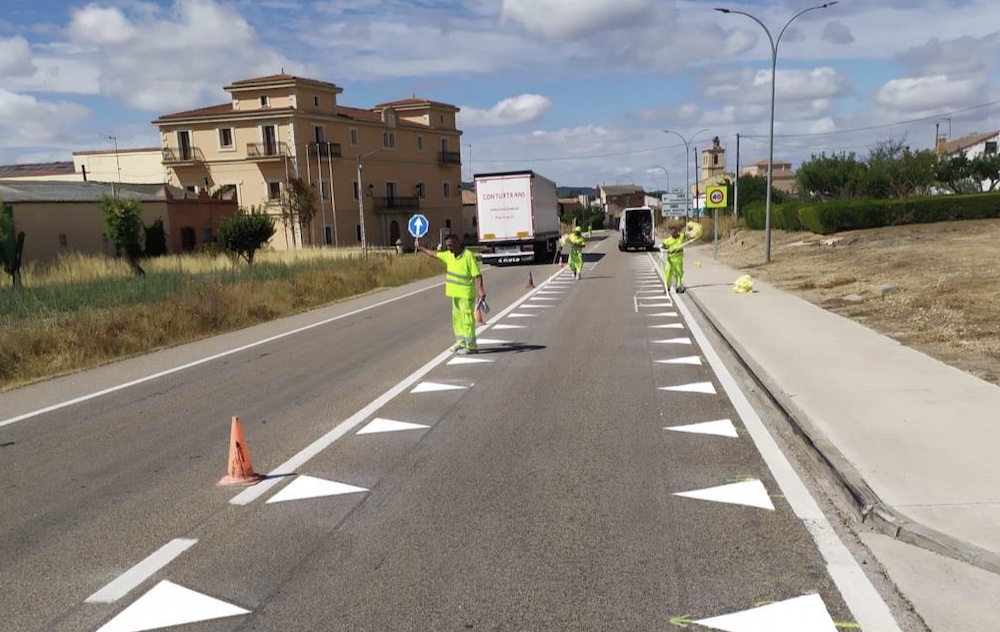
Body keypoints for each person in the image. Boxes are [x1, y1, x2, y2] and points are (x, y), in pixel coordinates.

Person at [415, 233, 486, 354]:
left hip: (466, 294)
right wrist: (421, 248)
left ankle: (471, 346)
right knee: (457, 318)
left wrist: (480, 290)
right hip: (455, 294)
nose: (449, 248)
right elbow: (434, 254)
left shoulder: (468, 256)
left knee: (467, 319)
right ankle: (461, 342)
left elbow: (477, 274)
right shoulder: (449, 255)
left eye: (450, 245)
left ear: (457, 242)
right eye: (447, 246)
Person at [661, 223, 687, 293]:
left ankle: (678, 286)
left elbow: (688, 235)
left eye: (675, 232)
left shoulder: (681, 237)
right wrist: (662, 248)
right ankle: (667, 286)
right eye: (672, 232)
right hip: (670, 260)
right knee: (668, 272)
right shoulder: (668, 240)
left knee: (679, 272)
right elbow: (663, 245)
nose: (673, 233)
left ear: (677, 232)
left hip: (678, 259)